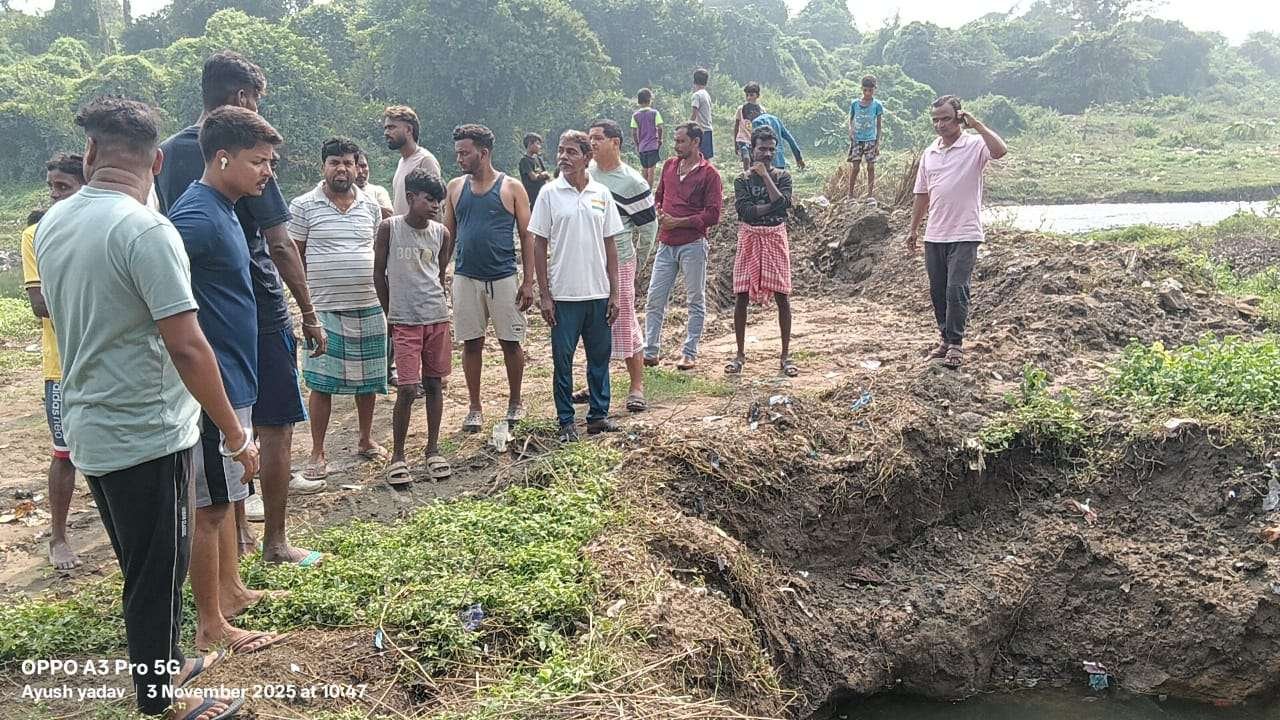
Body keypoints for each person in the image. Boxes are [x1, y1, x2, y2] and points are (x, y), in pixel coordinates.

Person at [36, 95, 255, 720]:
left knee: (143, 561)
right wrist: (237, 436)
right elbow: (187, 345)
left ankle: (159, 661)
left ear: (90, 154)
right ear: (158, 161)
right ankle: (163, 702)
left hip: (91, 422)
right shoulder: (144, 230)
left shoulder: (56, 221)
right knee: (159, 570)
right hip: (147, 430)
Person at [156, 50, 325, 566]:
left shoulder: (167, 154)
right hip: (253, 306)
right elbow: (278, 242)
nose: (267, 169)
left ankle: (239, 544)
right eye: (257, 102)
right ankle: (273, 541)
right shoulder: (237, 164)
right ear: (241, 100)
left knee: (220, 425)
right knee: (271, 422)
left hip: (198, 312)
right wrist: (308, 312)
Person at [169, 106, 291, 658]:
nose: (267, 172)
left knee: (222, 496)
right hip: (212, 380)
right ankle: (211, 623)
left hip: (236, 373)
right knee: (210, 506)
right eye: (258, 161)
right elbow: (157, 279)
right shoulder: (194, 216)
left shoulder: (225, 209)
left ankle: (234, 591)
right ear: (223, 158)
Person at [290, 138, 388, 470]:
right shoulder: (303, 206)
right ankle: (317, 451)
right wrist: (306, 308)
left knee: (369, 379)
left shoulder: (370, 205)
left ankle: (365, 438)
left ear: (357, 167)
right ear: (324, 167)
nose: (342, 168)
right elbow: (293, 256)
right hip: (323, 309)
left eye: (348, 162)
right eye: (335, 162)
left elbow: (377, 253)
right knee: (321, 382)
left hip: (368, 304)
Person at [529, 130, 623, 443]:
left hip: (598, 293)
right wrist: (545, 294)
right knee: (563, 360)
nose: (563, 158)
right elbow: (538, 245)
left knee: (599, 358)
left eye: (571, 152)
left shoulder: (601, 194)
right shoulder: (549, 194)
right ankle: (566, 421)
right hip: (565, 295)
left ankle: (598, 416)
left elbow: (611, 245)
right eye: (561, 151)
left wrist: (616, 292)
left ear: (587, 157)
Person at [442, 123, 536, 432]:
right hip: (466, 277)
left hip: (503, 276)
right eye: (457, 153)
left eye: (465, 153)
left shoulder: (511, 187)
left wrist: (528, 281)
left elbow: (527, 235)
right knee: (472, 343)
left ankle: (515, 402)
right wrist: (441, 273)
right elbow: (448, 234)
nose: (460, 159)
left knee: (511, 342)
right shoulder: (455, 187)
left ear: (483, 153)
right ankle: (474, 407)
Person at [905, 95, 1008, 369]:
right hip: (935, 233)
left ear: (959, 118)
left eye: (946, 119)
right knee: (938, 291)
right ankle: (944, 339)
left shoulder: (974, 146)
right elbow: (921, 194)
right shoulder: (930, 153)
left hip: (965, 233)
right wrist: (913, 229)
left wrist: (979, 126)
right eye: (935, 120)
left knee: (956, 289)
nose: (940, 125)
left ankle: (956, 344)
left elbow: (1000, 151)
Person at [21, 152, 85, 571]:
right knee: (64, 453)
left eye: (64, 187)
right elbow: (40, 304)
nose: (55, 196)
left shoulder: (97, 228)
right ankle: (58, 536)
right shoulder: (36, 234)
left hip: (101, 359)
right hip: (62, 365)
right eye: (53, 188)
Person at [374, 169, 454, 486]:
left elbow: (439, 272)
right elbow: (378, 274)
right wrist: (390, 312)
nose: (435, 206)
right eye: (429, 199)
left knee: (434, 384)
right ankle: (398, 455)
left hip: (436, 317)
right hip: (404, 321)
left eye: (439, 201)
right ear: (410, 198)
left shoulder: (441, 234)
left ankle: (433, 450)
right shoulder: (389, 229)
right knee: (407, 388)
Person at [584, 119, 655, 411]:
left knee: (624, 321)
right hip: (589, 262)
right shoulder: (585, 174)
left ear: (616, 143)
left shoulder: (632, 181)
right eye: (590, 138)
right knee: (590, 323)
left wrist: (635, 265)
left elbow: (649, 229)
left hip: (620, 262)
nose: (593, 143)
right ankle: (594, 384)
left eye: (598, 138)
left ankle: (636, 386)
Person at [644, 123, 723, 371]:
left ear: (696, 142)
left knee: (695, 300)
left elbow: (713, 215)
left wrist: (679, 221)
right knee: (655, 298)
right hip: (666, 243)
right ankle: (650, 351)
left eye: (681, 141)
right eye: (675, 141)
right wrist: (659, 212)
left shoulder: (710, 174)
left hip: (693, 244)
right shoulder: (669, 166)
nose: (676, 146)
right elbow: (658, 195)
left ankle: (689, 353)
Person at [728, 126, 797, 378]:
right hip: (750, 237)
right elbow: (745, 212)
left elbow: (784, 205)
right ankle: (739, 354)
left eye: (771, 149)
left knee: (782, 295)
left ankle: (785, 355)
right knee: (741, 295)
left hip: (775, 237)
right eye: (762, 148)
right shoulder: (741, 180)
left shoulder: (783, 176)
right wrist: (773, 205)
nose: (767, 153)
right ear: (753, 149)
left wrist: (766, 177)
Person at [384, 105, 443, 216]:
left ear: (409, 130)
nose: (386, 133)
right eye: (386, 128)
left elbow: (435, 208)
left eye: (391, 127)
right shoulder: (401, 162)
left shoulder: (425, 160)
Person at [848, 75, 885, 202]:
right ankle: (850, 195)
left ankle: (870, 195)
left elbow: (879, 125)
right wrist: (851, 130)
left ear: (874, 89)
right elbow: (850, 120)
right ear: (862, 89)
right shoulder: (854, 104)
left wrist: (877, 143)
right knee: (855, 167)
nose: (868, 93)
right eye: (865, 90)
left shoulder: (877, 105)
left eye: (870, 90)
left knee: (871, 167)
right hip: (857, 140)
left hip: (870, 139)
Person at [745, 103, 806, 171]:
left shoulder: (757, 121)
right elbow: (789, 138)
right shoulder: (775, 119)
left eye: (749, 118)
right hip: (780, 160)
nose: (750, 120)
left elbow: (756, 143)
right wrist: (798, 158)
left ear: (752, 112)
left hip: (766, 161)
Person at [631, 88, 664, 187]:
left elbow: (633, 131)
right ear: (650, 100)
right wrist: (660, 140)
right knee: (651, 170)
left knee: (644, 170)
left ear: (638, 101)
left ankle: (643, 190)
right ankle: (649, 193)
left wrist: (637, 144)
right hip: (653, 145)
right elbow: (660, 127)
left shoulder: (635, 115)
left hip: (642, 147)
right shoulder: (654, 113)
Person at [732, 81, 761, 172]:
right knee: (746, 158)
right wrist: (735, 143)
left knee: (754, 162)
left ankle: (752, 179)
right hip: (743, 139)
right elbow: (736, 126)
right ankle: (746, 177)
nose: (749, 98)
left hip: (754, 141)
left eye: (751, 95)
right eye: (747, 95)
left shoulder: (762, 110)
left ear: (757, 95)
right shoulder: (741, 109)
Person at [356, 149, 394, 217]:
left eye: (363, 166)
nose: (360, 171)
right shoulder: (340, 193)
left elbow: (389, 214)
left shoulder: (379, 191)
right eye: (356, 167)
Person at [518, 132, 552, 208]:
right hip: (533, 197)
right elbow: (533, 177)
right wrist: (542, 175)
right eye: (537, 144)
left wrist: (543, 175)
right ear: (530, 144)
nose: (539, 147)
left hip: (543, 195)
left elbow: (547, 174)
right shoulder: (524, 161)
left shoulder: (538, 159)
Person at [690, 67, 714, 159]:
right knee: (706, 158)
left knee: (698, 157)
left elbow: (694, 114)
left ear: (694, 81)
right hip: (708, 129)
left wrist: (687, 126)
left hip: (700, 131)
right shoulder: (706, 94)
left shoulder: (696, 95)